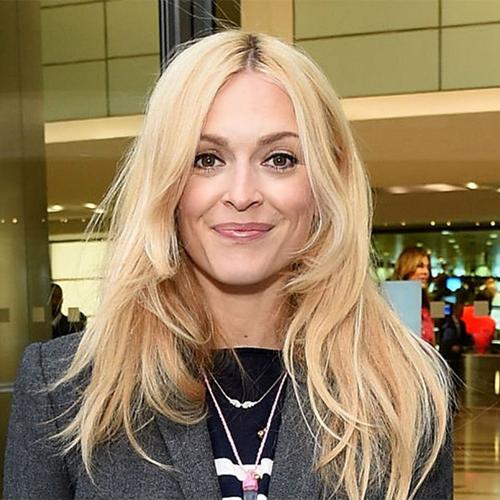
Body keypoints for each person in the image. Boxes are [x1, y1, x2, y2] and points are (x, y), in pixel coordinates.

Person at [4, 31, 453, 499]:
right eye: (206, 159)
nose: (241, 194)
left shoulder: (404, 389)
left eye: (279, 159)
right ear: (166, 182)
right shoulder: (66, 386)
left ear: (327, 181)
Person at [393, 247, 436, 345]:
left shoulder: (424, 304)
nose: (426, 272)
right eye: (420, 266)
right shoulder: (394, 303)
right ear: (407, 268)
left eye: (427, 267)